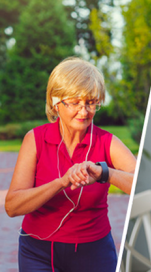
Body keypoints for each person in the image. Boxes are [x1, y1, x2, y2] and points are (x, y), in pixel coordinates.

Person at [5, 57, 136, 272]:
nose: (84, 112)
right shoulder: (35, 139)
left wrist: (105, 172)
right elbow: (12, 206)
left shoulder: (107, 142)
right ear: (56, 102)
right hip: (37, 252)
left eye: (91, 102)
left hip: (94, 253)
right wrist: (62, 182)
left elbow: (140, 182)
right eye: (75, 102)